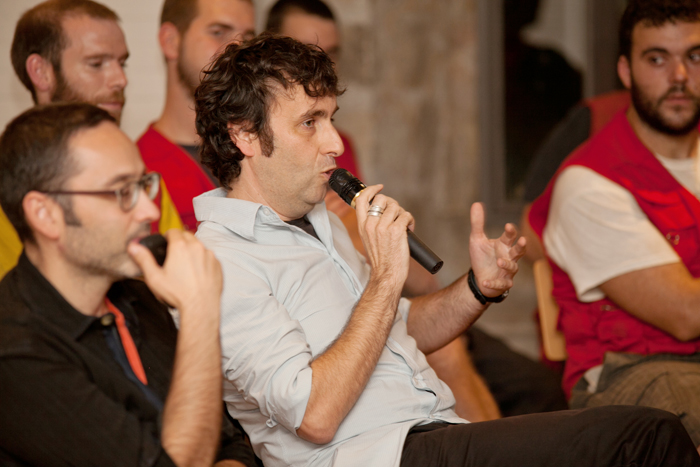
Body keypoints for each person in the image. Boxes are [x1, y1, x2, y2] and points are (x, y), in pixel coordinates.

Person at [193, 34, 700, 467]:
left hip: (437, 431)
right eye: (310, 122)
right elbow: (314, 415)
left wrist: (477, 287)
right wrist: (386, 277)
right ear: (245, 135)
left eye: (332, 118)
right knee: (645, 438)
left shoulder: (317, 221)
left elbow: (396, 327)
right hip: (378, 454)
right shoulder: (222, 258)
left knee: (643, 435)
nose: (335, 143)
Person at [266, 0, 567, 420]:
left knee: (540, 387)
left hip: (398, 309)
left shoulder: (336, 147)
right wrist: (370, 252)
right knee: (447, 356)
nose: (319, 66)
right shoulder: (268, 175)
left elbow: (416, 284)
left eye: (330, 54)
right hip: (361, 330)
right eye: (303, 51)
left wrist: (479, 284)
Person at [0, 102, 256, 466]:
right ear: (46, 215)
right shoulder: (16, 351)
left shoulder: (138, 295)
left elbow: (229, 443)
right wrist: (199, 312)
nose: (150, 211)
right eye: (121, 192)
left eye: (143, 185)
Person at [529, 0, 700, 450]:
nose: (680, 76)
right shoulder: (589, 183)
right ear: (625, 71)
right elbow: (687, 314)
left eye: (695, 56)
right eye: (657, 59)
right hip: (634, 372)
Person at [3, 0, 183, 280]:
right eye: (96, 64)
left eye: (122, 63)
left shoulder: (144, 179)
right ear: (41, 72)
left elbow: (177, 277)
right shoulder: (7, 183)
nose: (120, 79)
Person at [138, 0, 255, 230]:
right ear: (171, 41)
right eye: (218, 32)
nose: (237, 50)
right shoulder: (139, 169)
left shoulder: (263, 152)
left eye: (248, 39)